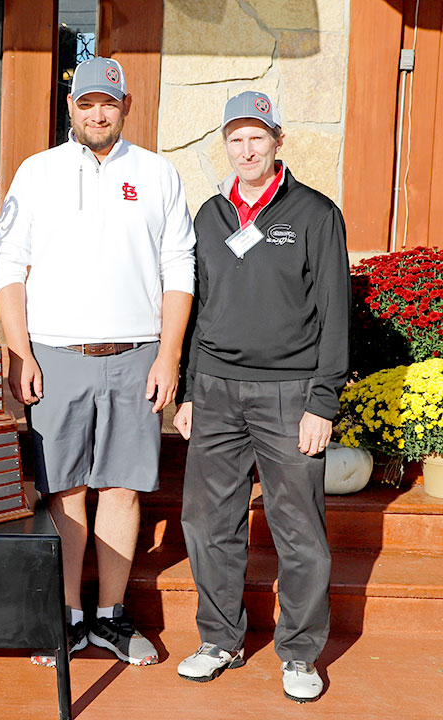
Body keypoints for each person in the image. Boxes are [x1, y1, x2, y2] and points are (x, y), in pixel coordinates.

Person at [0, 57, 195, 668]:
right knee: (65, 488)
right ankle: (68, 616)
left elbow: (178, 269)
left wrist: (169, 358)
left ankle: (110, 616)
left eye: (108, 102)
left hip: (136, 356)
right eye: (86, 103)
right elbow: (8, 268)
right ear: (71, 107)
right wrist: (20, 352)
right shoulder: (39, 172)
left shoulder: (158, 174)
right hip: (57, 356)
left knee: (124, 488)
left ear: (125, 106)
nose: (97, 112)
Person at [173, 91, 349, 703]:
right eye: (236, 139)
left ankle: (300, 654)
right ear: (225, 145)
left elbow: (334, 315)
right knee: (206, 521)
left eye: (258, 138)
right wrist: (192, 390)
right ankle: (218, 639)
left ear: (279, 141)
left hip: (289, 394)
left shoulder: (315, 214)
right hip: (216, 391)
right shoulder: (209, 216)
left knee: (298, 528)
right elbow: (197, 314)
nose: (246, 150)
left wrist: (321, 402)